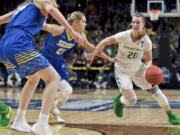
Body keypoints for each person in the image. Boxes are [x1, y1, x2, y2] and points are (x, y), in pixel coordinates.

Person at [0, 0, 84, 135]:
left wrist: (49, 27)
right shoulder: (43, 2)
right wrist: (71, 29)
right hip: (19, 44)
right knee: (53, 79)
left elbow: (3, 19)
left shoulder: (23, 7)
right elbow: (51, 9)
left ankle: (19, 120)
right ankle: (42, 123)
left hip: (4, 45)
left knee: (33, 79)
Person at [87, 14, 180, 125]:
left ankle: (170, 115)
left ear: (143, 25)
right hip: (122, 70)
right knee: (132, 100)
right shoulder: (124, 35)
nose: (135, 24)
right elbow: (104, 42)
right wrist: (93, 54)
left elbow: (149, 59)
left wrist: (148, 68)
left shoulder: (146, 41)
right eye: (133, 22)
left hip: (138, 68)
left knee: (156, 91)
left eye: (138, 22)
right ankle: (119, 101)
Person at [42, 11, 118, 122]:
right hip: (45, 61)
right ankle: (47, 111)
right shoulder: (59, 30)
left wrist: (109, 58)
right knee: (66, 89)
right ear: (76, 23)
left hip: (59, 62)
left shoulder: (80, 37)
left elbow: (92, 49)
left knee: (66, 92)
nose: (86, 24)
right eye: (84, 22)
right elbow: (41, 25)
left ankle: (51, 111)